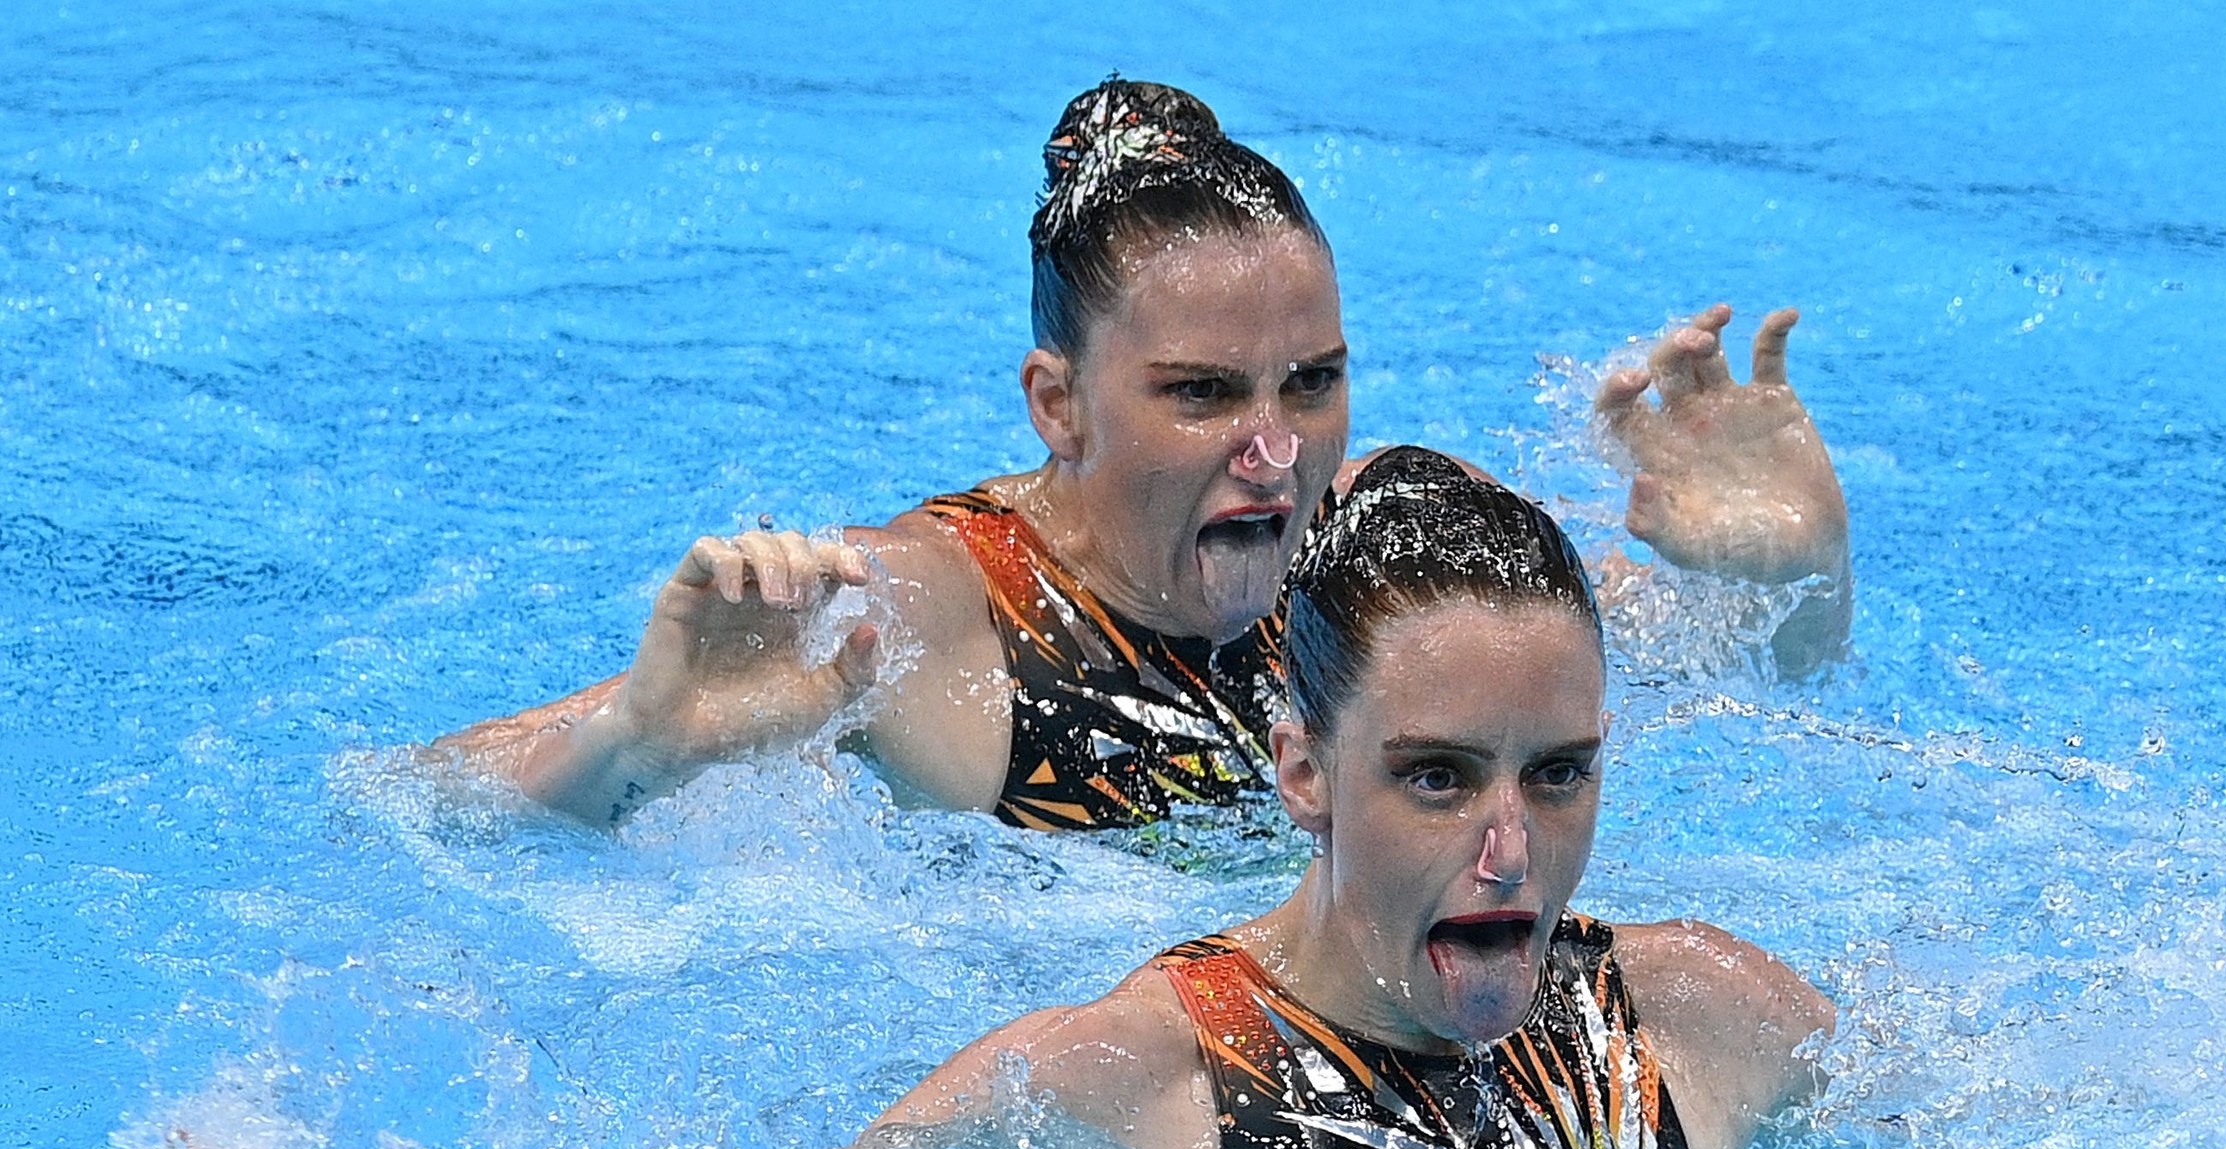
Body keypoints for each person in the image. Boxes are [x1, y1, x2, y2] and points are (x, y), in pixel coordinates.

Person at [792, 451, 2226, 1149]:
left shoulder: (1695, 1020)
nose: (1510, 846)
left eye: (1559, 774)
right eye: (1437, 780)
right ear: (1298, 767)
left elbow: (2119, 1131)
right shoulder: (1134, 1074)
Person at [436, 79, 1855, 832]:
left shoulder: (1388, 546)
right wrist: (640, 740)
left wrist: (1798, 572)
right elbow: (419, 797)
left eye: (1316, 381)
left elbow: (1726, 678)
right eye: (1200, 394)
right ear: (1058, 406)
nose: (1273, 449)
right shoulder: (936, 615)